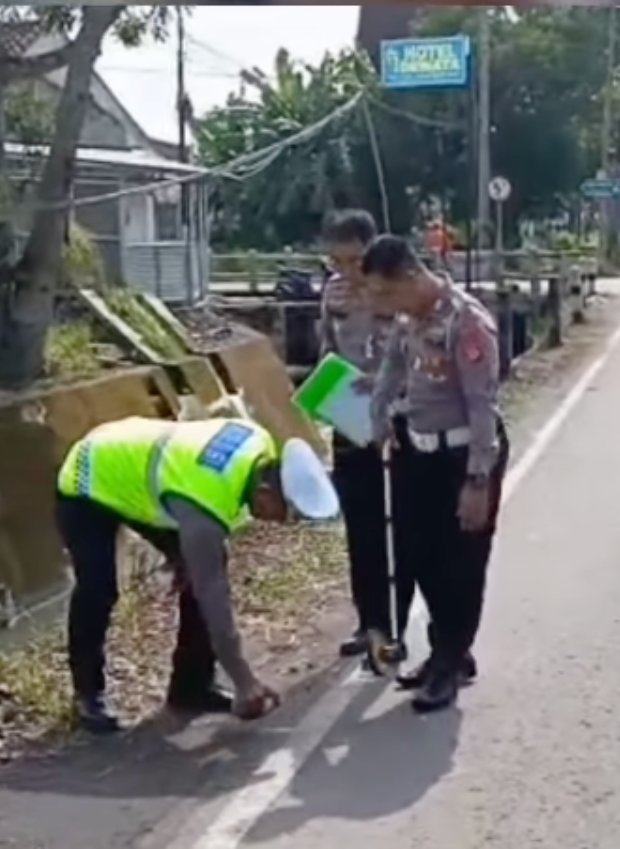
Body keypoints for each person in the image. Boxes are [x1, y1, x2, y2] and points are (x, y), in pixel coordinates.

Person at [55, 416, 339, 733]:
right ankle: (87, 694)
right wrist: (244, 680)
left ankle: (190, 688)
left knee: (200, 568)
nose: (279, 523)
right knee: (99, 588)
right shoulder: (206, 501)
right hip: (89, 478)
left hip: (147, 471)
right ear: (264, 492)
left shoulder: (259, 443)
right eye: (282, 513)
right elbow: (213, 596)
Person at [364, 235, 510, 714]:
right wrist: (379, 412)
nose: (382, 304)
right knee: (420, 556)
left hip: (464, 456)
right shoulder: (409, 316)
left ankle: (448, 663)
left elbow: (482, 405)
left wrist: (477, 481)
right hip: (419, 452)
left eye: (386, 292)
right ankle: (447, 651)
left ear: (411, 276)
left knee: (461, 566)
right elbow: (392, 365)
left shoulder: (466, 322)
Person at [319, 209, 413, 663]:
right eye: (336, 262)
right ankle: (370, 621)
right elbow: (326, 352)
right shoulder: (332, 295)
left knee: (406, 529)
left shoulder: (394, 293)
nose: (346, 272)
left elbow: (414, 355)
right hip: (352, 422)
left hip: (399, 421)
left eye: (355, 261)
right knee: (362, 528)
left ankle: (404, 624)